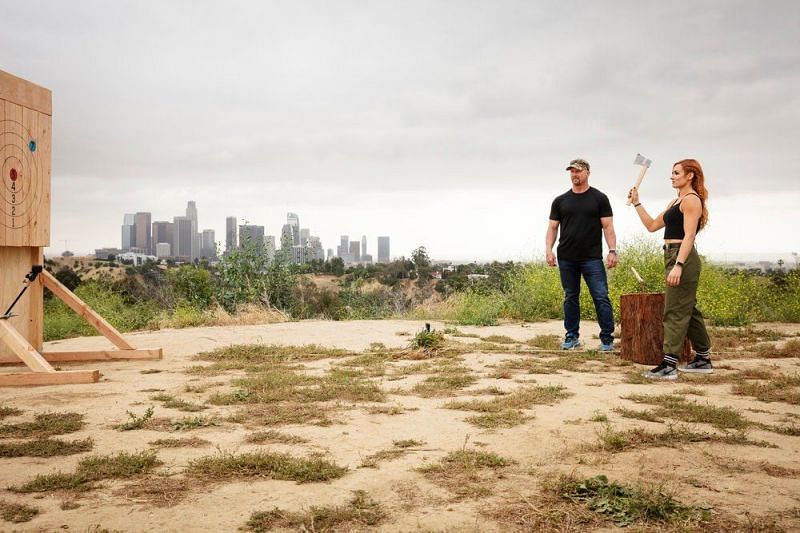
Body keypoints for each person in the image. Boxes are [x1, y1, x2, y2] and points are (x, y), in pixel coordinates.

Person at [628, 158, 712, 380]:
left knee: (673, 310)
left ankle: (669, 365)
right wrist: (637, 203)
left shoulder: (692, 200)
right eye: (672, 173)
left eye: (676, 173)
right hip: (671, 255)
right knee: (688, 309)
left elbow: (690, 236)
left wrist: (679, 265)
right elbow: (652, 226)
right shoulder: (674, 202)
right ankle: (703, 359)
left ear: (690, 175)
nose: (672, 176)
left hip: (681, 256)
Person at [546, 158, 617, 351]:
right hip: (567, 257)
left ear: (587, 172)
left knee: (601, 296)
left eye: (578, 171)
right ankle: (571, 336)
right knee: (570, 296)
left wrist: (612, 251)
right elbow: (553, 228)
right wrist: (548, 250)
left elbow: (608, 226)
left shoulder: (599, 198)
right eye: (572, 171)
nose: (574, 175)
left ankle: (607, 339)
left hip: (592, 258)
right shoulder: (560, 201)